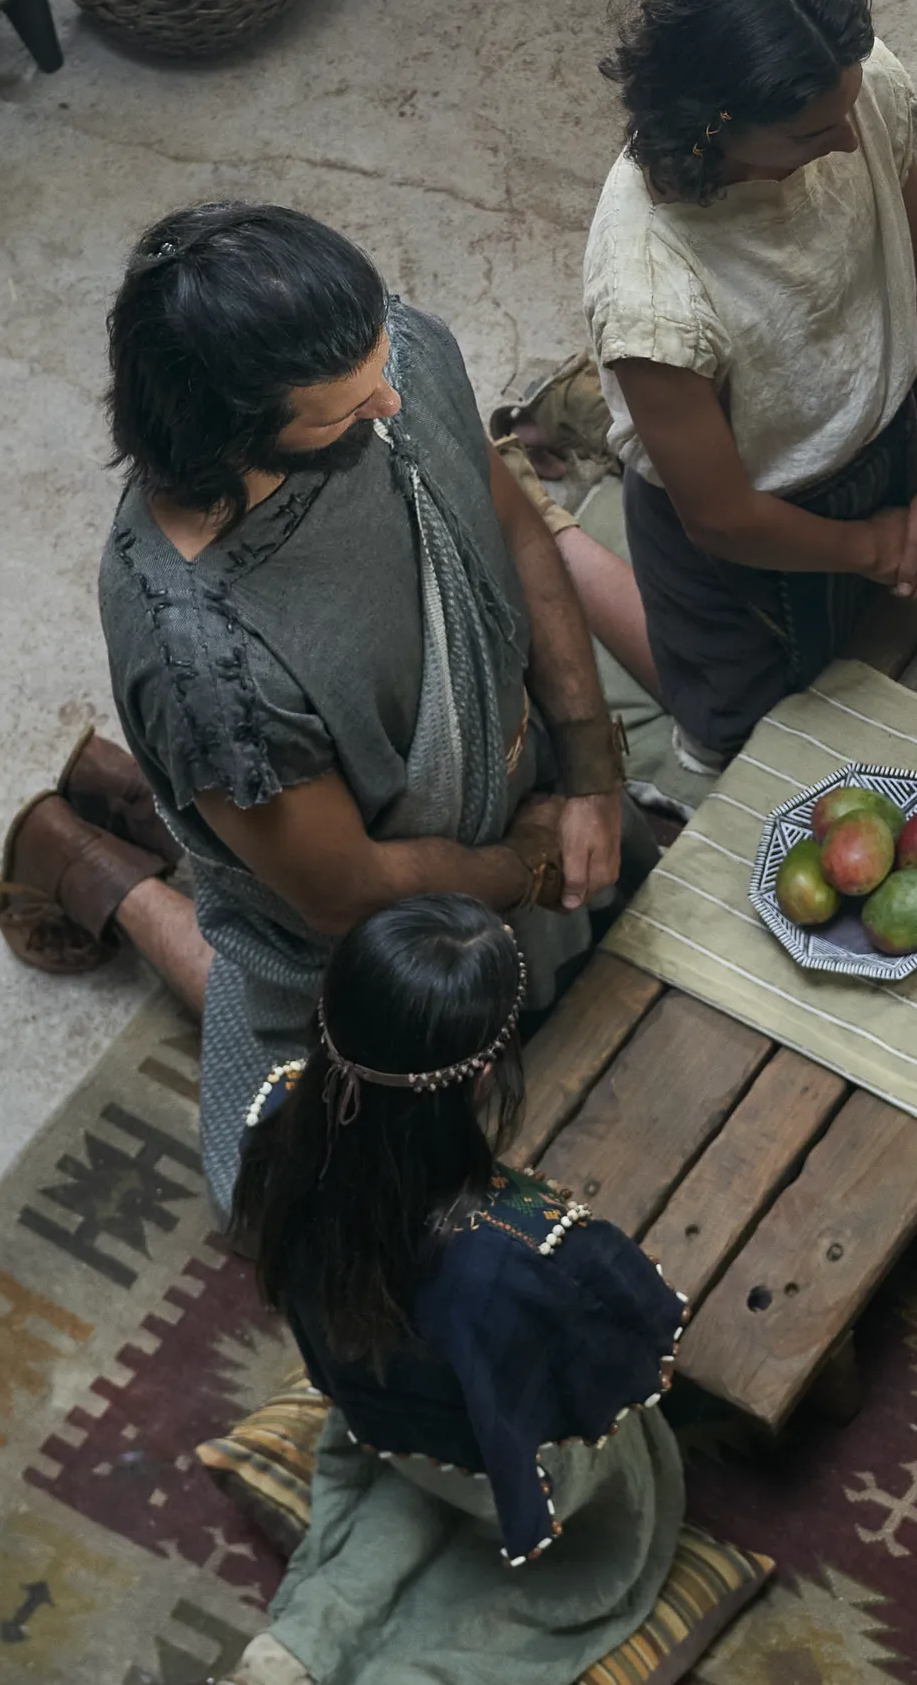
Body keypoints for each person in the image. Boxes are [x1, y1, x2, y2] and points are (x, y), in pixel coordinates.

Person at [43, 203, 644, 1206]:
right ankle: (100, 874)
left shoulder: (385, 353)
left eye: (378, 369)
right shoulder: (201, 662)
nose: (389, 405)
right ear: (226, 435)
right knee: (348, 1202)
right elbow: (340, 889)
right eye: (339, 409)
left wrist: (588, 767)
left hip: (506, 813)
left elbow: (516, 531)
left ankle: (158, 800)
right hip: (362, 936)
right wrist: (526, 865)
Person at [201, 895, 689, 1685]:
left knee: (395, 1493)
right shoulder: (531, 1256)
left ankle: (286, 1668)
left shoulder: (278, 1119)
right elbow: (628, 1361)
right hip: (498, 1465)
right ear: (479, 1071)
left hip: (381, 1421)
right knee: (589, 1557)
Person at [585, 0, 917, 775]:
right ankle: (546, 536)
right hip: (743, 535)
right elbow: (721, 517)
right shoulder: (650, 288)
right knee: (751, 750)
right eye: (809, 135)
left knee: (916, 661)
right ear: (713, 128)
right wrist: (873, 548)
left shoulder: (845, 87)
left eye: (847, 110)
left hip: (884, 444)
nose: (845, 140)